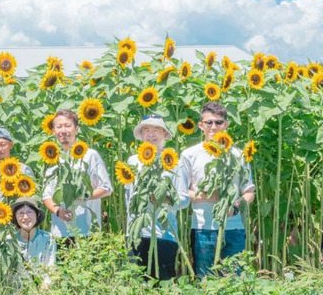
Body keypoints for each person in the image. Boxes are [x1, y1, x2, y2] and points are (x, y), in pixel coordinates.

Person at [183, 102, 256, 277]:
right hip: (203, 228)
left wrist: (235, 207)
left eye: (219, 122)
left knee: (234, 280)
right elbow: (182, 192)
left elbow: (249, 192)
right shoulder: (190, 155)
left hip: (234, 228)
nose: (214, 127)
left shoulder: (238, 155)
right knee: (205, 280)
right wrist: (207, 196)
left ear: (226, 124)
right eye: (209, 122)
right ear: (201, 125)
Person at [125, 114, 190, 281]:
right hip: (137, 234)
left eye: (156, 130)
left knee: (163, 284)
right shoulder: (133, 161)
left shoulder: (174, 162)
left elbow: (184, 200)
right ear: (141, 134)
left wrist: (165, 199)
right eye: (146, 130)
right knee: (137, 285)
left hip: (164, 235)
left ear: (165, 134)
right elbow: (129, 198)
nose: (151, 134)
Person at [41, 110, 113, 246]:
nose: (63, 130)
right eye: (59, 127)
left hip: (87, 231)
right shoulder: (52, 158)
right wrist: (57, 211)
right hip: (60, 232)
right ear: (53, 131)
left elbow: (106, 188)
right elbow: (46, 195)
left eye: (67, 126)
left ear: (76, 129)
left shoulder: (90, 155)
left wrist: (84, 196)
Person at [12, 197, 55, 287]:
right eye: (20, 213)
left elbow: (51, 267)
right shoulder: (10, 240)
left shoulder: (48, 238)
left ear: (37, 215)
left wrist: (45, 287)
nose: (25, 217)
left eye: (29, 212)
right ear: (15, 217)